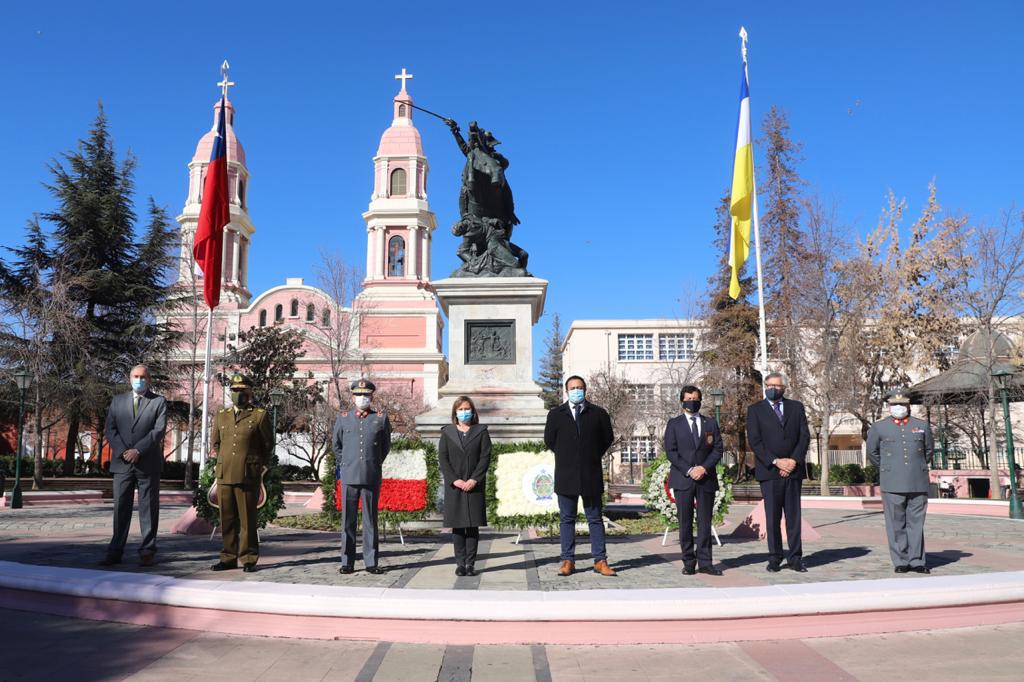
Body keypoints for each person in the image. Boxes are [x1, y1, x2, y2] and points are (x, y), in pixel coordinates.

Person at [544, 375, 616, 577]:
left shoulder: (599, 413)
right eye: (573, 387)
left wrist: (590, 454)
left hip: (590, 473)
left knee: (595, 518)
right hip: (566, 475)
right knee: (567, 519)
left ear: (585, 390)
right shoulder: (556, 414)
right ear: (566, 391)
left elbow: (607, 438)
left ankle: (600, 560)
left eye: (580, 387)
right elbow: (550, 440)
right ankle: (568, 560)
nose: (577, 390)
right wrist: (568, 455)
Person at [101, 365, 167, 567]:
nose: (139, 380)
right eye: (135, 376)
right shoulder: (117, 401)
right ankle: (115, 550)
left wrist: (138, 450)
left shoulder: (158, 402)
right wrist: (124, 452)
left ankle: (147, 550)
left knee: (148, 509)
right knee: (121, 509)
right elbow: (110, 430)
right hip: (122, 465)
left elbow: (158, 430)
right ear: (129, 378)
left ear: (149, 379)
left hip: (147, 463)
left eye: (142, 377)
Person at [746, 372, 811, 573]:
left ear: (784, 388)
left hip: (793, 470)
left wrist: (793, 461)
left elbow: (804, 436)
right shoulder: (755, 410)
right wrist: (776, 462)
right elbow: (755, 441)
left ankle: (795, 558)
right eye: (769, 385)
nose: (773, 388)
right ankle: (774, 557)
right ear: (764, 386)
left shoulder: (796, 407)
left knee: (793, 517)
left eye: (777, 386)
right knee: (772, 518)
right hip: (770, 472)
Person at [210, 374, 274, 573]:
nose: (238, 394)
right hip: (225, 473)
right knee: (226, 519)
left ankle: (248, 558)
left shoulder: (259, 415)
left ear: (249, 392)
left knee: (247, 519)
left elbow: (268, 445)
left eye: (242, 391)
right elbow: (216, 443)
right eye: (235, 390)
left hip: (248, 474)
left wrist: (257, 464)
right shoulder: (221, 415)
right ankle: (228, 557)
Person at [867, 389, 934, 574]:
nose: (899, 408)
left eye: (903, 404)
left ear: (908, 405)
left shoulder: (921, 425)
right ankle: (901, 560)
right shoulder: (879, 427)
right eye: (895, 405)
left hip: (917, 480)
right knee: (895, 523)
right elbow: (872, 453)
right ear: (888, 406)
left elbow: (928, 451)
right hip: (892, 481)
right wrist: (889, 469)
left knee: (916, 522)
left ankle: (917, 560)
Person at [333, 379, 392, 575]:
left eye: (366, 395)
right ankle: (347, 561)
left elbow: (385, 447)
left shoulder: (380, 419)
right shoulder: (343, 418)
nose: (362, 398)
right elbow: (337, 446)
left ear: (372, 397)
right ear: (352, 397)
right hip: (349, 475)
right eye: (359, 395)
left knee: (370, 521)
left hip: (371, 475)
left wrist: (373, 463)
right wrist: (347, 464)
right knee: (347, 521)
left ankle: (371, 561)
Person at [664, 385, 724, 576]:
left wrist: (703, 468)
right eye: (689, 398)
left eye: (696, 398)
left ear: (700, 400)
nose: (692, 401)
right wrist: (690, 470)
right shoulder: (674, 424)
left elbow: (717, 449)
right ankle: (688, 562)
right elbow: (671, 452)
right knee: (685, 523)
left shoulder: (710, 423)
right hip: (683, 479)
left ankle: (706, 562)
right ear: (682, 401)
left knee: (705, 522)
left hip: (706, 479)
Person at [437, 396, 492, 576]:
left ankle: (470, 564)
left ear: (473, 411)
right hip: (455, 486)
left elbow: (485, 457)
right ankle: (460, 563)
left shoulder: (481, 431)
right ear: (455, 412)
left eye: (467, 408)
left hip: (474, 485)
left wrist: (474, 479)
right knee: (458, 526)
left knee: (472, 526)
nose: (464, 412)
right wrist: (455, 480)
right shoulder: (447, 432)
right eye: (460, 409)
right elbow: (443, 459)